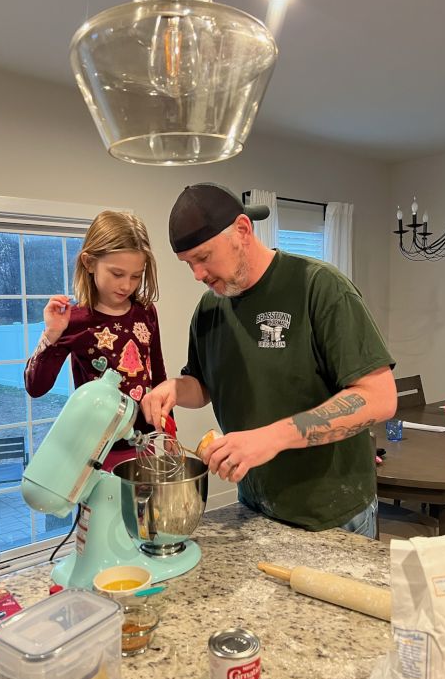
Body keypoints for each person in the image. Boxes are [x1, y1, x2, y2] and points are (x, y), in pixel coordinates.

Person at [141, 183, 397, 537]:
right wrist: (173, 389)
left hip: (332, 513)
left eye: (204, 257)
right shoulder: (210, 308)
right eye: (189, 264)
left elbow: (379, 398)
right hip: (255, 505)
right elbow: (204, 385)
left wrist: (271, 438)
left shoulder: (319, 287)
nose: (198, 274)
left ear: (242, 230)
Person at [25, 210, 168, 470]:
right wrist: (51, 336)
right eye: (117, 274)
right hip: (96, 452)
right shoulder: (74, 320)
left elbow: (158, 376)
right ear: (89, 263)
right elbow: (36, 387)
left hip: (143, 444)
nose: (126, 285)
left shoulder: (147, 312)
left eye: (136, 276)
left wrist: (168, 431)